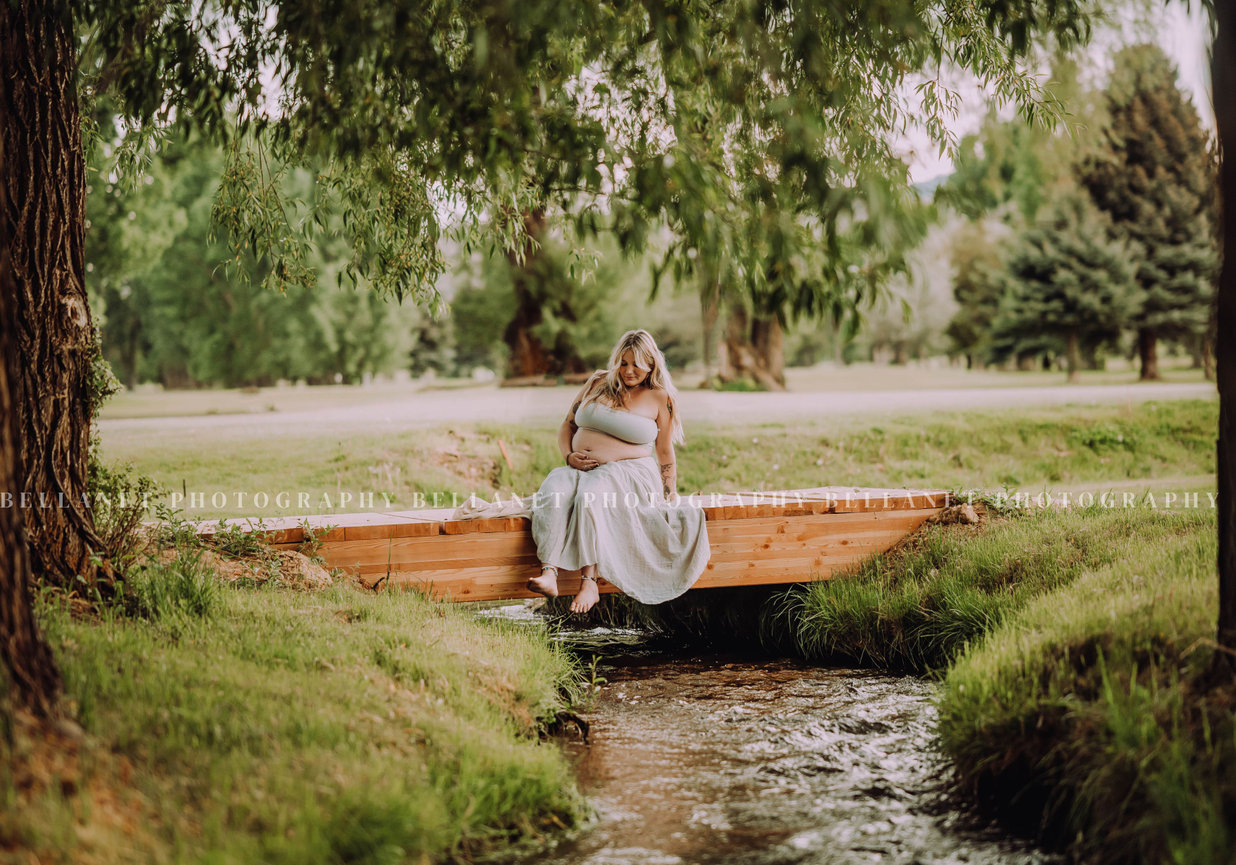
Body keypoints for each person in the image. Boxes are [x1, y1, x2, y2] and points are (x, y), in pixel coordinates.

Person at [526, 329, 711, 614]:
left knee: (591, 495)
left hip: (629, 472)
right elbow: (568, 425)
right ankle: (549, 573)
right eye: (623, 363)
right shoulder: (598, 381)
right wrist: (568, 457)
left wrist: (669, 492)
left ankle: (590, 582)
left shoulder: (661, 398)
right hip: (579, 466)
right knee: (555, 490)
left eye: (636, 364)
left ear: (651, 363)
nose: (628, 371)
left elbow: (664, 451)